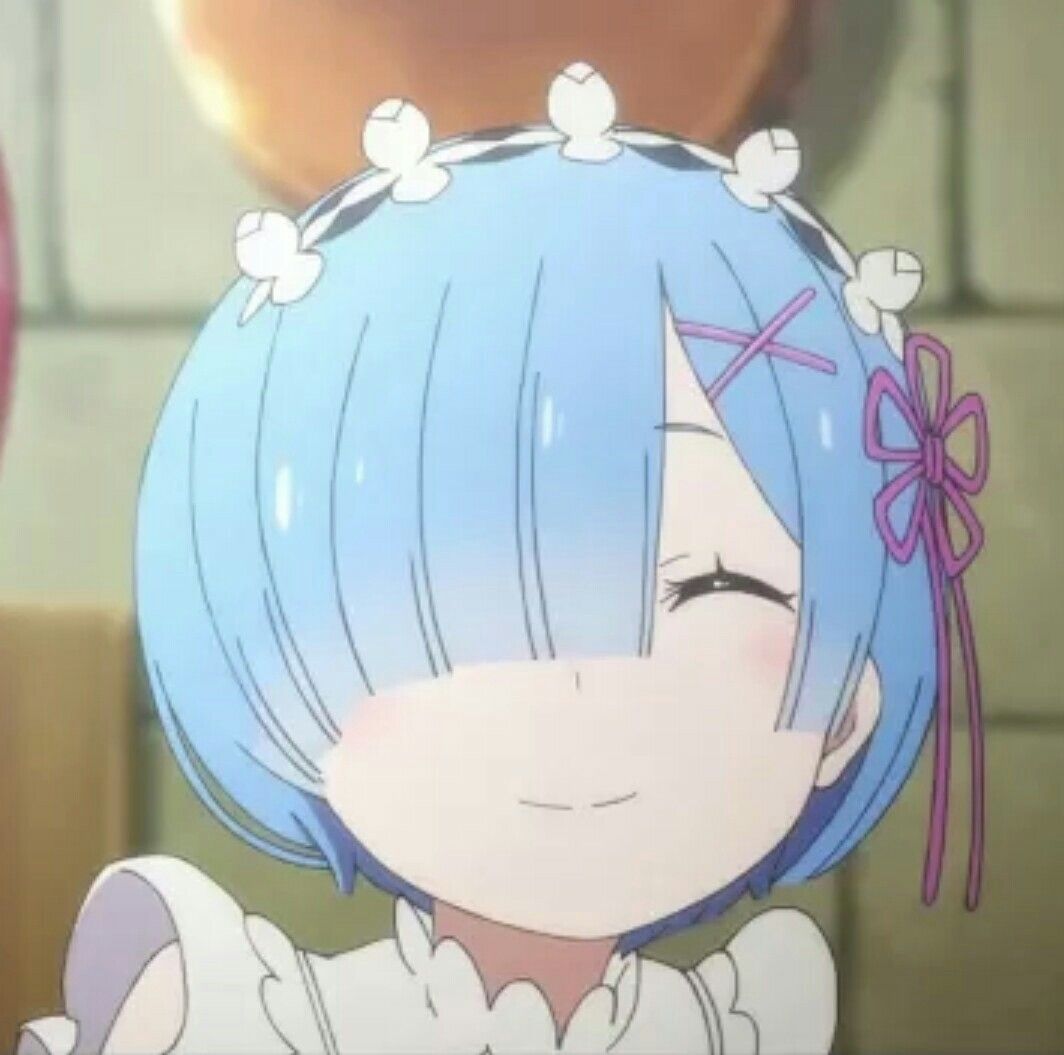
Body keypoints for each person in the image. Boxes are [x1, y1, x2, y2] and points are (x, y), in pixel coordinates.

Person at [18, 62, 989, 1055]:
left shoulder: (733, 1019)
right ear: (279, 683)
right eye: (450, 603)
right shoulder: (233, 1009)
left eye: (706, 585)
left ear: (846, 708)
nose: (577, 685)